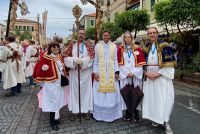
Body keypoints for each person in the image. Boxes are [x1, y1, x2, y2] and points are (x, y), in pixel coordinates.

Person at [142, 27, 176, 134]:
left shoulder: (165, 46)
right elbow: (141, 63)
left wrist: (158, 74)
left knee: (164, 99)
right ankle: (156, 119)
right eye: (150, 33)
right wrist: (146, 73)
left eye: (154, 33)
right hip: (149, 77)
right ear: (148, 35)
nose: (152, 35)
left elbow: (170, 65)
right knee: (153, 100)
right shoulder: (146, 47)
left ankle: (166, 121)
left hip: (161, 78)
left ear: (157, 34)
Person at [33, 41, 68, 131]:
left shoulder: (59, 57)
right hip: (51, 84)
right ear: (50, 48)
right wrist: (44, 68)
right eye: (53, 47)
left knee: (58, 101)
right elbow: (39, 67)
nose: (56, 48)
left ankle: (56, 119)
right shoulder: (46, 57)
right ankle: (52, 122)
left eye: (57, 47)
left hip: (59, 84)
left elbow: (63, 68)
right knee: (53, 102)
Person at [64, 29, 94, 121]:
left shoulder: (88, 45)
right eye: (79, 33)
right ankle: (75, 111)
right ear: (77, 34)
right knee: (75, 92)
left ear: (85, 35)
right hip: (74, 72)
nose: (81, 35)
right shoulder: (71, 45)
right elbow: (65, 57)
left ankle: (86, 111)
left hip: (85, 72)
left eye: (83, 34)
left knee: (86, 92)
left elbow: (92, 57)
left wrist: (83, 62)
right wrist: (74, 60)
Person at [93, 30, 122, 122]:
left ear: (109, 36)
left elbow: (116, 60)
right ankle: (100, 114)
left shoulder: (114, 46)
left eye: (107, 35)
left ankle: (112, 113)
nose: (106, 37)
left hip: (111, 72)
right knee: (100, 93)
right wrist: (95, 73)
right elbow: (95, 61)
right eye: (104, 35)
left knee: (111, 93)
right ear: (102, 36)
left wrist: (117, 72)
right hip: (100, 73)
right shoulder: (97, 46)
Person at [117, 31, 146, 122]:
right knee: (126, 93)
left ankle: (136, 112)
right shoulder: (121, 49)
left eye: (129, 37)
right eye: (126, 37)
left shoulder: (138, 48)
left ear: (132, 38)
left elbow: (140, 64)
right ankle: (128, 112)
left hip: (135, 76)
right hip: (125, 76)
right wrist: (127, 73)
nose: (128, 39)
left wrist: (133, 73)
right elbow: (119, 64)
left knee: (136, 93)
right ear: (124, 39)